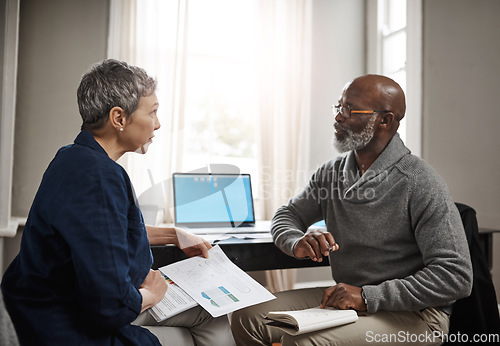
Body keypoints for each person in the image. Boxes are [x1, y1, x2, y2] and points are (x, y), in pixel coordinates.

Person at [1, 59, 235, 345]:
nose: (158, 124)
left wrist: (174, 234)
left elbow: (101, 231)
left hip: (45, 307)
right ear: (119, 118)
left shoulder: (72, 157)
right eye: (153, 112)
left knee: (211, 314)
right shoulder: (100, 177)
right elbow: (108, 305)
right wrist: (152, 295)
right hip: (68, 323)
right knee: (207, 319)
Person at [231, 74, 473, 345]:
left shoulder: (419, 181)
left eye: (350, 109)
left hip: (416, 315)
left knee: (300, 342)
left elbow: (455, 277)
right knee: (246, 318)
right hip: (346, 298)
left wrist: (368, 297)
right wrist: (296, 240)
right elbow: (288, 215)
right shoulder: (331, 173)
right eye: (339, 107)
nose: (338, 117)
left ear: (385, 120)